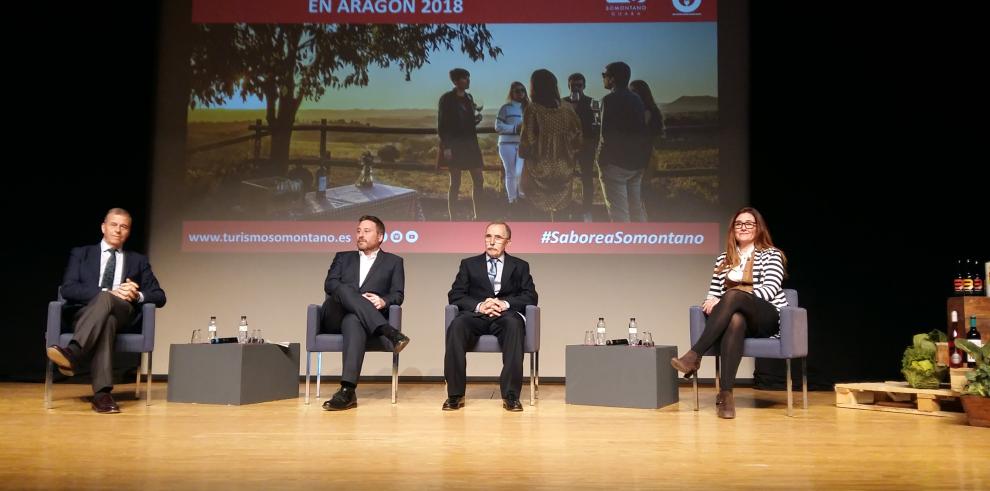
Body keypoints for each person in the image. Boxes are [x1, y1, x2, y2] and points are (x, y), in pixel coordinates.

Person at [670, 207, 789, 419]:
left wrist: (732, 298)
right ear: (733, 229)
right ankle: (726, 396)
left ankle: (694, 355)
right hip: (741, 318)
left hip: (765, 316)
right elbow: (713, 294)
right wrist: (711, 301)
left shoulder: (772, 255)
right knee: (734, 319)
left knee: (733, 296)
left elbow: (770, 289)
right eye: (739, 224)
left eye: (749, 223)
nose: (743, 227)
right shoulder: (723, 259)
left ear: (758, 228)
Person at [46, 208, 167, 414]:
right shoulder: (81, 253)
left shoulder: (138, 260)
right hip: (84, 314)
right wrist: (108, 292)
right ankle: (102, 395)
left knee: (110, 308)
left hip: (123, 313)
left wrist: (136, 295)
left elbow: (160, 295)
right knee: (106, 318)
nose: (118, 230)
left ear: (128, 232)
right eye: (113, 224)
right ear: (103, 227)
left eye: (124, 226)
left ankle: (74, 353)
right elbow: (68, 288)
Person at [443, 221, 537, 412]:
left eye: (498, 237)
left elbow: (530, 296)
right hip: (476, 315)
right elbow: (456, 294)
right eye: (488, 236)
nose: (492, 242)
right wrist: (481, 305)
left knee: (514, 325)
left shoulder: (520, 266)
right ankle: (455, 394)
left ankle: (511, 396)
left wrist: (504, 304)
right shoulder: (468, 264)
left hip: (505, 315)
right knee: (457, 325)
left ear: (508, 242)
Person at [320, 215, 409, 411]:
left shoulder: (394, 262)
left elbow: (398, 294)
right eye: (358, 231)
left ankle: (347, 390)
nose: (360, 235)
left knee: (354, 320)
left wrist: (383, 300)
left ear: (380, 236)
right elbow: (330, 284)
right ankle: (389, 331)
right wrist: (358, 298)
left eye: (366, 231)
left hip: (360, 322)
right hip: (334, 315)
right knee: (343, 289)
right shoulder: (343, 257)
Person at [518, 69, 583, 220]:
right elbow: (578, 139)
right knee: (562, 213)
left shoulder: (533, 109)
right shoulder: (567, 108)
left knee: (538, 214)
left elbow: (526, 142)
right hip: (564, 168)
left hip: (540, 169)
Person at [596, 61, 648, 222]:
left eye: (604, 75)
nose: (603, 79)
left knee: (619, 214)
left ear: (612, 79)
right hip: (636, 163)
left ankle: (623, 246)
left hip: (615, 165)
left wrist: (600, 159)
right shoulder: (637, 99)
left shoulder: (608, 100)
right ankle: (644, 244)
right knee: (636, 208)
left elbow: (606, 135)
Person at [438, 68, 485, 220]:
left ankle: (478, 216)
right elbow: (442, 125)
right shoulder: (446, 99)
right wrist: (447, 148)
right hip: (455, 146)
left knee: (479, 179)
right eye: (465, 78)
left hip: (471, 145)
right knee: (455, 182)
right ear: (456, 81)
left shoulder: (469, 98)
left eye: (468, 77)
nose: (469, 80)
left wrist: (475, 120)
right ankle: (454, 219)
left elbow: (468, 121)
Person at [562, 73, 599, 222]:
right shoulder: (562, 103)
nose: (576, 87)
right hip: (567, 147)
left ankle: (587, 211)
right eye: (573, 85)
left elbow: (595, 125)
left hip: (586, 145)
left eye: (579, 85)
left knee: (587, 177)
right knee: (565, 178)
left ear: (584, 86)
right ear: (568, 86)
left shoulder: (591, 102)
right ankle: (566, 210)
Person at [495, 81, 529, 211]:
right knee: (510, 172)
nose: (520, 93)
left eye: (522, 90)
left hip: (522, 144)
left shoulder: (528, 108)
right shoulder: (505, 108)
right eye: (517, 90)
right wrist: (515, 128)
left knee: (520, 171)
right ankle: (512, 200)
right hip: (506, 144)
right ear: (512, 93)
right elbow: (498, 126)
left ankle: (521, 196)